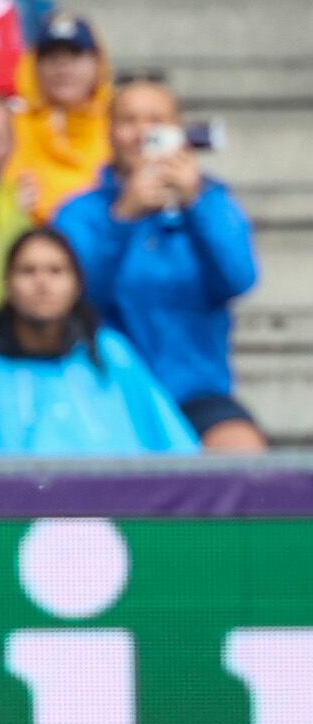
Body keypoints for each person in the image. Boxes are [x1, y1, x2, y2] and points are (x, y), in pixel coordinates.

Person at [56, 77, 265, 451]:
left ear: (178, 132)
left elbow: (239, 278)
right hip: (103, 390)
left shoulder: (212, 200)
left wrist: (196, 203)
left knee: (243, 452)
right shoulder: (79, 213)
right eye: (128, 120)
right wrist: (123, 218)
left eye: (156, 121)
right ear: (109, 132)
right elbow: (70, 301)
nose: (141, 133)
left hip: (194, 392)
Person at [0, 228, 197, 456]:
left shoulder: (109, 353)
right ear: (7, 285)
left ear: (77, 285)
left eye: (56, 271)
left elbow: (174, 445)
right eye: (27, 271)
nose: (42, 283)